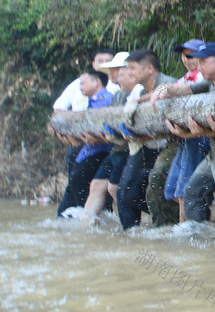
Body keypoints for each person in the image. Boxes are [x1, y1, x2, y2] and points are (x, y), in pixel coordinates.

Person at [162, 42, 215, 235]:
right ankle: (203, 239)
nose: (198, 66)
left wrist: (191, 133)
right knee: (192, 191)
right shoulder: (211, 83)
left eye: (203, 61)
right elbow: (185, 89)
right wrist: (162, 92)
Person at [115, 50, 178, 229]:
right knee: (125, 192)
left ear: (149, 69)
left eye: (132, 68)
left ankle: (169, 224)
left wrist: (137, 101)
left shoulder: (167, 82)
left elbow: (169, 90)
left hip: (179, 143)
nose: (128, 73)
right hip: (154, 144)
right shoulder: (142, 89)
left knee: (154, 183)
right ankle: (136, 233)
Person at [162, 39, 209, 221]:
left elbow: (174, 91)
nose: (187, 59)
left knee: (184, 189)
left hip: (199, 137)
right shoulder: (183, 79)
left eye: (191, 55)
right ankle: (209, 221)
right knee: (172, 189)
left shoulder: (204, 78)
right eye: (184, 55)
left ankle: (186, 227)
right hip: (184, 138)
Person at [56, 70, 114, 217]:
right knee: (76, 185)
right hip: (87, 151)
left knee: (81, 185)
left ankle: (90, 220)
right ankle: (66, 220)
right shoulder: (93, 101)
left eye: (83, 82)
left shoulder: (106, 100)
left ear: (97, 82)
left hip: (99, 151)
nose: (80, 86)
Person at [82, 52, 133, 219]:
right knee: (96, 185)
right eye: (111, 70)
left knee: (113, 188)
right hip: (116, 148)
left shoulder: (132, 93)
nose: (111, 73)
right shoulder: (118, 94)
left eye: (115, 69)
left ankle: (129, 224)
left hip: (127, 148)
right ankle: (86, 225)